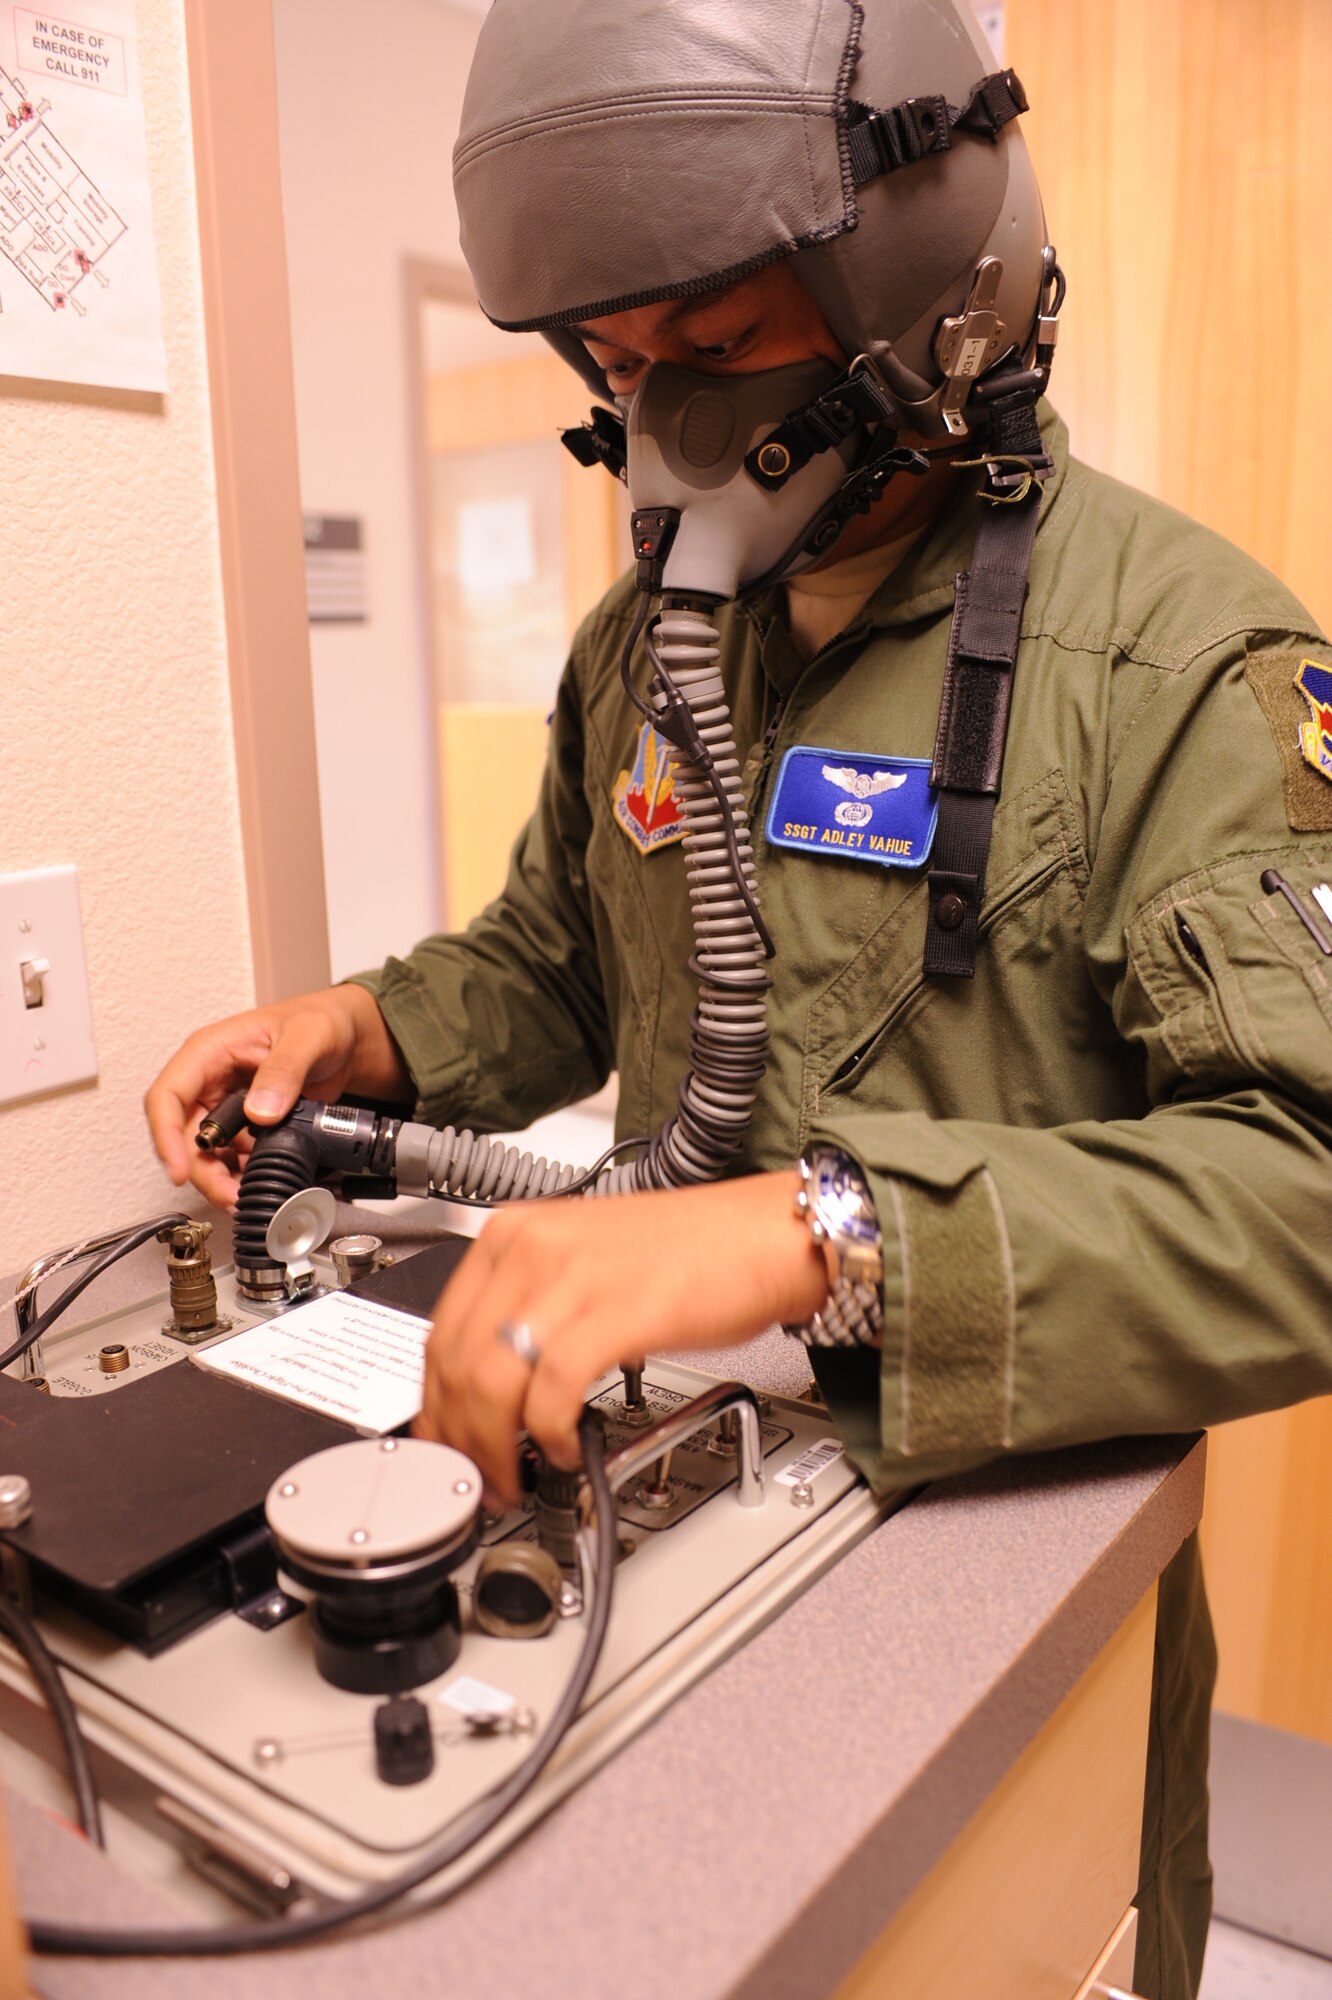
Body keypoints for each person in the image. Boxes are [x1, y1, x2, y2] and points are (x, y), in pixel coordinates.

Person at [146, 3, 1332, 1994]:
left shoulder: (1191, 657)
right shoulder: (638, 647)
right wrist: (362, 1027)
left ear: (923, 296)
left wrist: (818, 1234)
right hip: (642, 1516)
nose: (664, 421)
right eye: (617, 367)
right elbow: (558, 957)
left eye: (713, 349)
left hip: (996, 1549)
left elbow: (1305, 1193)